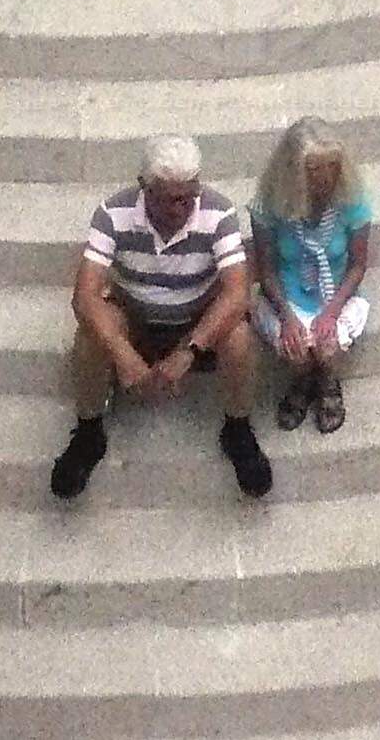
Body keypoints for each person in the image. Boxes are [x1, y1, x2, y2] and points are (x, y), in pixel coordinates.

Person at [49, 134, 271, 500]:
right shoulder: (113, 214)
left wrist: (189, 351)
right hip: (135, 320)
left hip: (195, 322)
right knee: (90, 331)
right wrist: (124, 356)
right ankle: (88, 430)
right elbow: (84, 297)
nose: (182, 208)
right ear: (144, 188)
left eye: (189, 197)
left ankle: (238, 427)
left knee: (239, 336)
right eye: (171, 199)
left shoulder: (219, 213)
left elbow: (236, 292)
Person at [249, 118, 373, 436]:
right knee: (297, 344)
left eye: (332, 169)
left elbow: (358, 265)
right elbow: (267, 268)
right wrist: (288, 316)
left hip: (333, 293)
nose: (326, 181)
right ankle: (304, 378)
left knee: (327, 341)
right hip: (289, 294)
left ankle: (327, 380)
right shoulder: (268, 206)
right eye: (315, 173)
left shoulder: (352, 202)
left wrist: (331, 312)